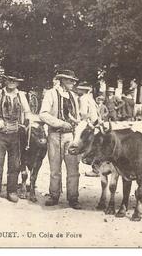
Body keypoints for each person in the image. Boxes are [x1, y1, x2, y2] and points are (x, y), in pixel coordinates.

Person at [0, 71, 32, 203]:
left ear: (18, 82)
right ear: (5, 80)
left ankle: (12, 191)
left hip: (16, 135)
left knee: (14, 164)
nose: (11, 82)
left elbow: (27, 112)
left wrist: (25, 123)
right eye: (9, 80)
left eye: (14, 80)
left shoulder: (21, 96)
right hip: (0, 134)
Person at [39, 69, 82, 209]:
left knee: (73, 167)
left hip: (70, 135)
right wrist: (61, 123)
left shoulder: (74, 96)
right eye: (70, 80)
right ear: (62, 80)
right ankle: (54, 195)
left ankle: (73, 198)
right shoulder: (51, 94)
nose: (72, 83)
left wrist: (76, 121)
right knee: (55, 168)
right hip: (55, 135)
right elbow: (43, 114)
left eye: (73, 81)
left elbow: (77, 115)